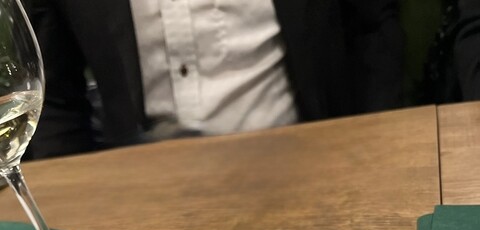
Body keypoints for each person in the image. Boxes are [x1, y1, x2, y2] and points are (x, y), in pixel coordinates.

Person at [23, 0, 405, 159]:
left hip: (313, 154)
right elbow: (51, 92)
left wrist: (377, 147)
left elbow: (373, 31)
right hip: (142, 184)